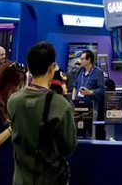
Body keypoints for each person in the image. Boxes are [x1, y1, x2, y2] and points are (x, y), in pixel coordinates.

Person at [8, 42, 77, 184]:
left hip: (20, 179)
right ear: (52, 68)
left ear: (29, 67)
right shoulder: (60, 105)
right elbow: (69, 146)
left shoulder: (13, 101)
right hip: (49, 179)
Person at [72, 49, 106, 118]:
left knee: (90, 124)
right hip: (78, 106)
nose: (80, 60)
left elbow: (102, 89)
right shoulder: (80, 70)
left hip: (91, 107)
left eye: (82, 59)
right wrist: (73, 102)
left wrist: (89, 92)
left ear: (89, 60)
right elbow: (75, 87)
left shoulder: (98, 72)